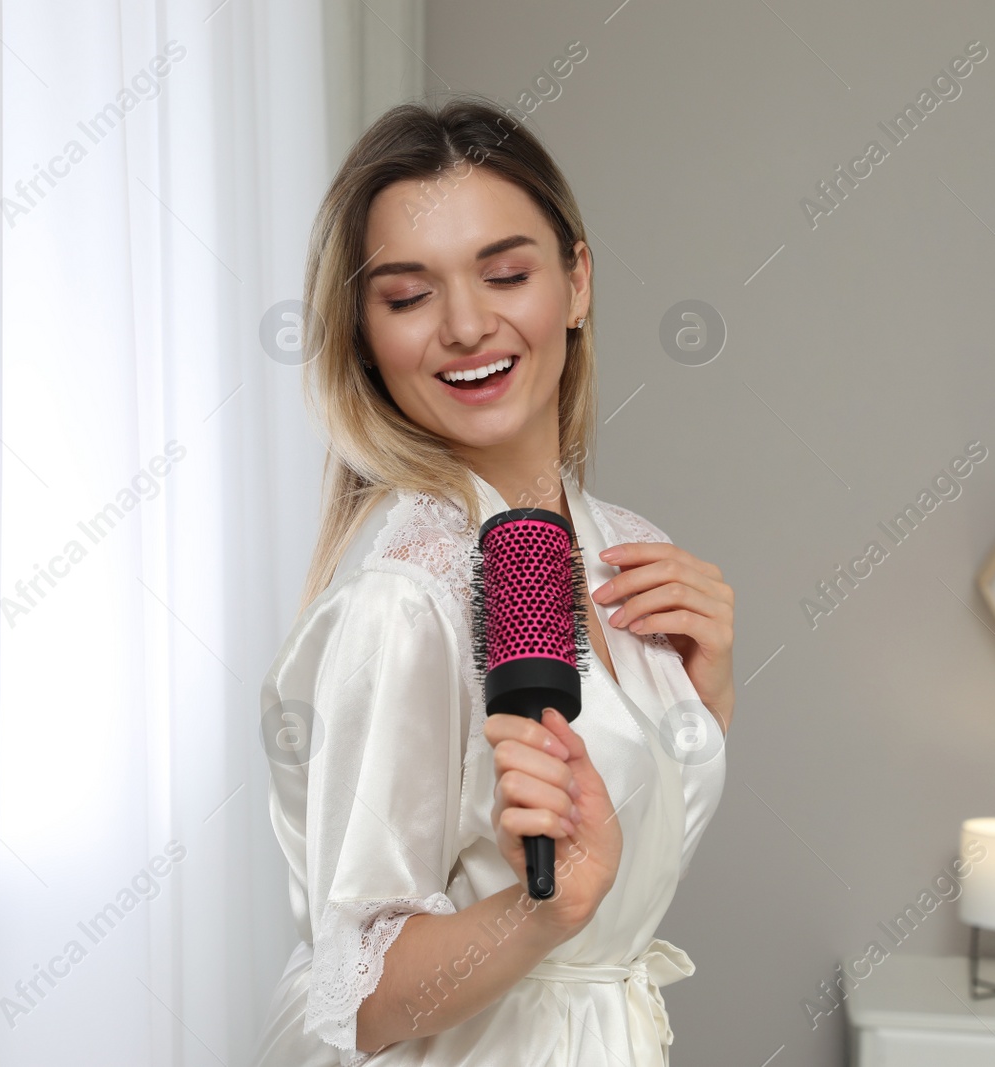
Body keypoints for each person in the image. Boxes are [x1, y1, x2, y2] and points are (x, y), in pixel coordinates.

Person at [251, 94, 735, 1066]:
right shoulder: (405, 596)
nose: (466, 324)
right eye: (406, 295)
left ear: (577, 280)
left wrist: (706, 692)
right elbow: (358, 998)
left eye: (505, 272)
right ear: (363, 333)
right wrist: (542, 907)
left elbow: (631, 850)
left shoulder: (623, 554)